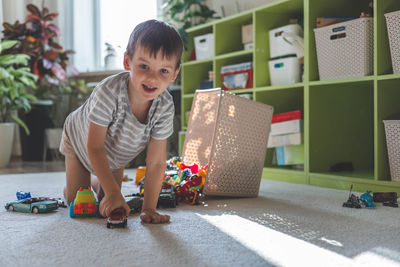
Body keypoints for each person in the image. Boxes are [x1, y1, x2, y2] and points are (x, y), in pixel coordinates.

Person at [60, 19, 183, 224]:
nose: (152, 78)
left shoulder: (165, 106)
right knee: (80, 204)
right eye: (144, 66)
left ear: (174, 73)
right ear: (127, 62)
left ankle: (100, 181)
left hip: (116, 154)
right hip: (80, 142)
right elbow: (95, 147)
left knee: (105, 204)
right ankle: (85, 180)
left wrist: (149, 208)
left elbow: (156, 162)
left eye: (163, 71)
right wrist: (113, 192)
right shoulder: (108, 92)